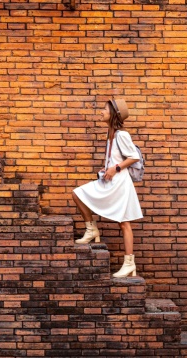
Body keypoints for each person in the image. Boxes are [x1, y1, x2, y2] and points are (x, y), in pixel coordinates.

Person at [71, 98, 143, 278]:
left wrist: (115, 168)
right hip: (111, 180)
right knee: (78, 194)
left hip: (119, 184)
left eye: (104, 109)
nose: (101, 111)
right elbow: (117, 158)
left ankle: (129, 263)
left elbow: (134, 157)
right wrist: (107, 167)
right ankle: (91, 229)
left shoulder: (121, 134)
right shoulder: (111, 135)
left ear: (113, 114)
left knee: (124, 222)